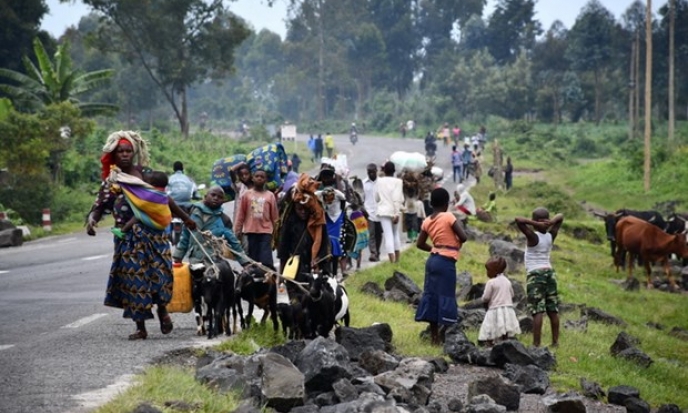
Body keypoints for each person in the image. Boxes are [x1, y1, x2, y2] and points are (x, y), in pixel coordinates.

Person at [86, 131, 195, 340]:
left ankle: (163, 310)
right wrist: (93, 220)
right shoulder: (112, 180)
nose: (125, 155)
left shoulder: (146, 174)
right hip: (127, 239)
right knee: (134, 281)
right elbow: (99, 205)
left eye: (128, 151)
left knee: (161, 275)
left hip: (155, 235)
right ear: (114, 154)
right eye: (121, 152)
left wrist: (186, 218)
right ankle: (140, 327)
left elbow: (164, 199)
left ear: (134, 153)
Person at [415, 188, 468, 345]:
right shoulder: (448, 216)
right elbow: (463, 237)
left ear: (431, 203)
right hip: (446, 263)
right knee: (446, 296)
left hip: (432, 261)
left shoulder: (427, 221)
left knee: (432, 296)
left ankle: (434, 338)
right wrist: (455, 243)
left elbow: (419, 243)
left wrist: (433, 248)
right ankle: (445, 334)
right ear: (446, 204)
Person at [515, 207, 564, 348]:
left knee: (537, 311)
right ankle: (555, 342)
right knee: (552, 309)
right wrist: (550, 222)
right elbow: (560, 216)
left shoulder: (533, 236)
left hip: (535, 274)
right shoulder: (551, 236)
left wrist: (535, 224)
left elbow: (518, 220)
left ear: (535, 221)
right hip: (549, 272)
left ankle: (536, 345)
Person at [172, 186, 250, 267]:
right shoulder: (193, 212)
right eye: (213, 195)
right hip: (195, 259)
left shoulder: (224, 219)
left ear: (223, 201)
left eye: (220, 197)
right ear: (205, 197)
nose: (216, 198)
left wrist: (246, 263)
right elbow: (185, 236)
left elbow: (234, 243)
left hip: (214, 260)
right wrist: (178, 258)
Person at [234, 170, 279, 269]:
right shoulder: (246, 195)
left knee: (266, 260)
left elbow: (275, 217)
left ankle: (269, 280)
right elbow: (240, 215)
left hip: (266, 232)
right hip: (250, 232)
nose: (259, 178)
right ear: (253, 178)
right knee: (253, 260)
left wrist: (277, 235)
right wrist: (237, 232)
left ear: (266, 180)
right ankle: (255, 280)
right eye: (257, 176)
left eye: (262, 177)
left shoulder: (270, 196)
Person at [112, 170, 170, 239]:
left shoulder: (153, 194)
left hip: (157, 220)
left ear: (153, 184)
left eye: (147, 182)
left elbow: (142, 203)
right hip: (164, 220)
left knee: (138, 215)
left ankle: (123, 231)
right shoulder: (163, 193)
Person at [478, 256, 521, 346]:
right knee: (505, 327)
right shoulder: (507, 281)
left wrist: (483, 300)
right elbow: (512, 294)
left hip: (494, 308)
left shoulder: (491, 282)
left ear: (495, 271)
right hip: (507, 309)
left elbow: (486, 297)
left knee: (491, 327)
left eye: (488, 270)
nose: (487, 273)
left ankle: (490, 343)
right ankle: (504, 342)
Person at [375, 161, 404, 263]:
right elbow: (398, 198)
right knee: (395, 234)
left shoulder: (379, 181)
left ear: (384, 170)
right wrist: (396, 213)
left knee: (388, 235)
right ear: (394, 171)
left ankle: (392, 261)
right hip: (394, 210)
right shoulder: (398, 182)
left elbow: (377, 197)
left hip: (383, 211)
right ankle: (397, 260)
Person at [317, 183, 348, 277]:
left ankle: (334, 273)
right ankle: (327, 271)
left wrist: (342, 213)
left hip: (337, 218)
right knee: (327, 243)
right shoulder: (319, 194)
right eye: (327, 200)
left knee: (336, 245)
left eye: (331, 199)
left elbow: (344, 201)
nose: (330, 201)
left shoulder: (339, 194)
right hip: (328, 218)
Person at [363, 163, 382, 262]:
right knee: (371, 234)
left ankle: (377, 251)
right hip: (368, 212)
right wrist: (363, 210)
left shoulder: (382, 183)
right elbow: (362, 198)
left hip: (380, 212)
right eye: (369, 172)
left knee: (379, 233)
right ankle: (373, 253)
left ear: (376, 171)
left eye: (372, 172)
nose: (370, 174)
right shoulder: (363, 183)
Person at [348, 193, 369, 270]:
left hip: (357, 233)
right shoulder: (361, 211)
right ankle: (357, 266)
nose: (353, 201)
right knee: (358, 250)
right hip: (360, 232)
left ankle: (354, 265)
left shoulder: (351, 212)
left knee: (350, 249)